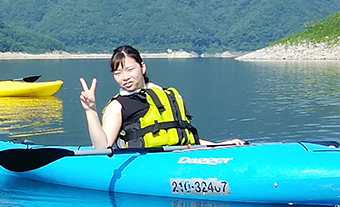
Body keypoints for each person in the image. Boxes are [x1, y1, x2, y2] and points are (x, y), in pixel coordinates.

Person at [78, 44, 244, 150]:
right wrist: (90, 110)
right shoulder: (118, 106)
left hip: (177, 156)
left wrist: (221, 145)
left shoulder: (167, 95)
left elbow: (183, 137)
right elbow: (102, 148)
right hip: (144, 164)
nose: (125, 77)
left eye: (130, 69)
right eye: (118, 73)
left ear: (142, 67)